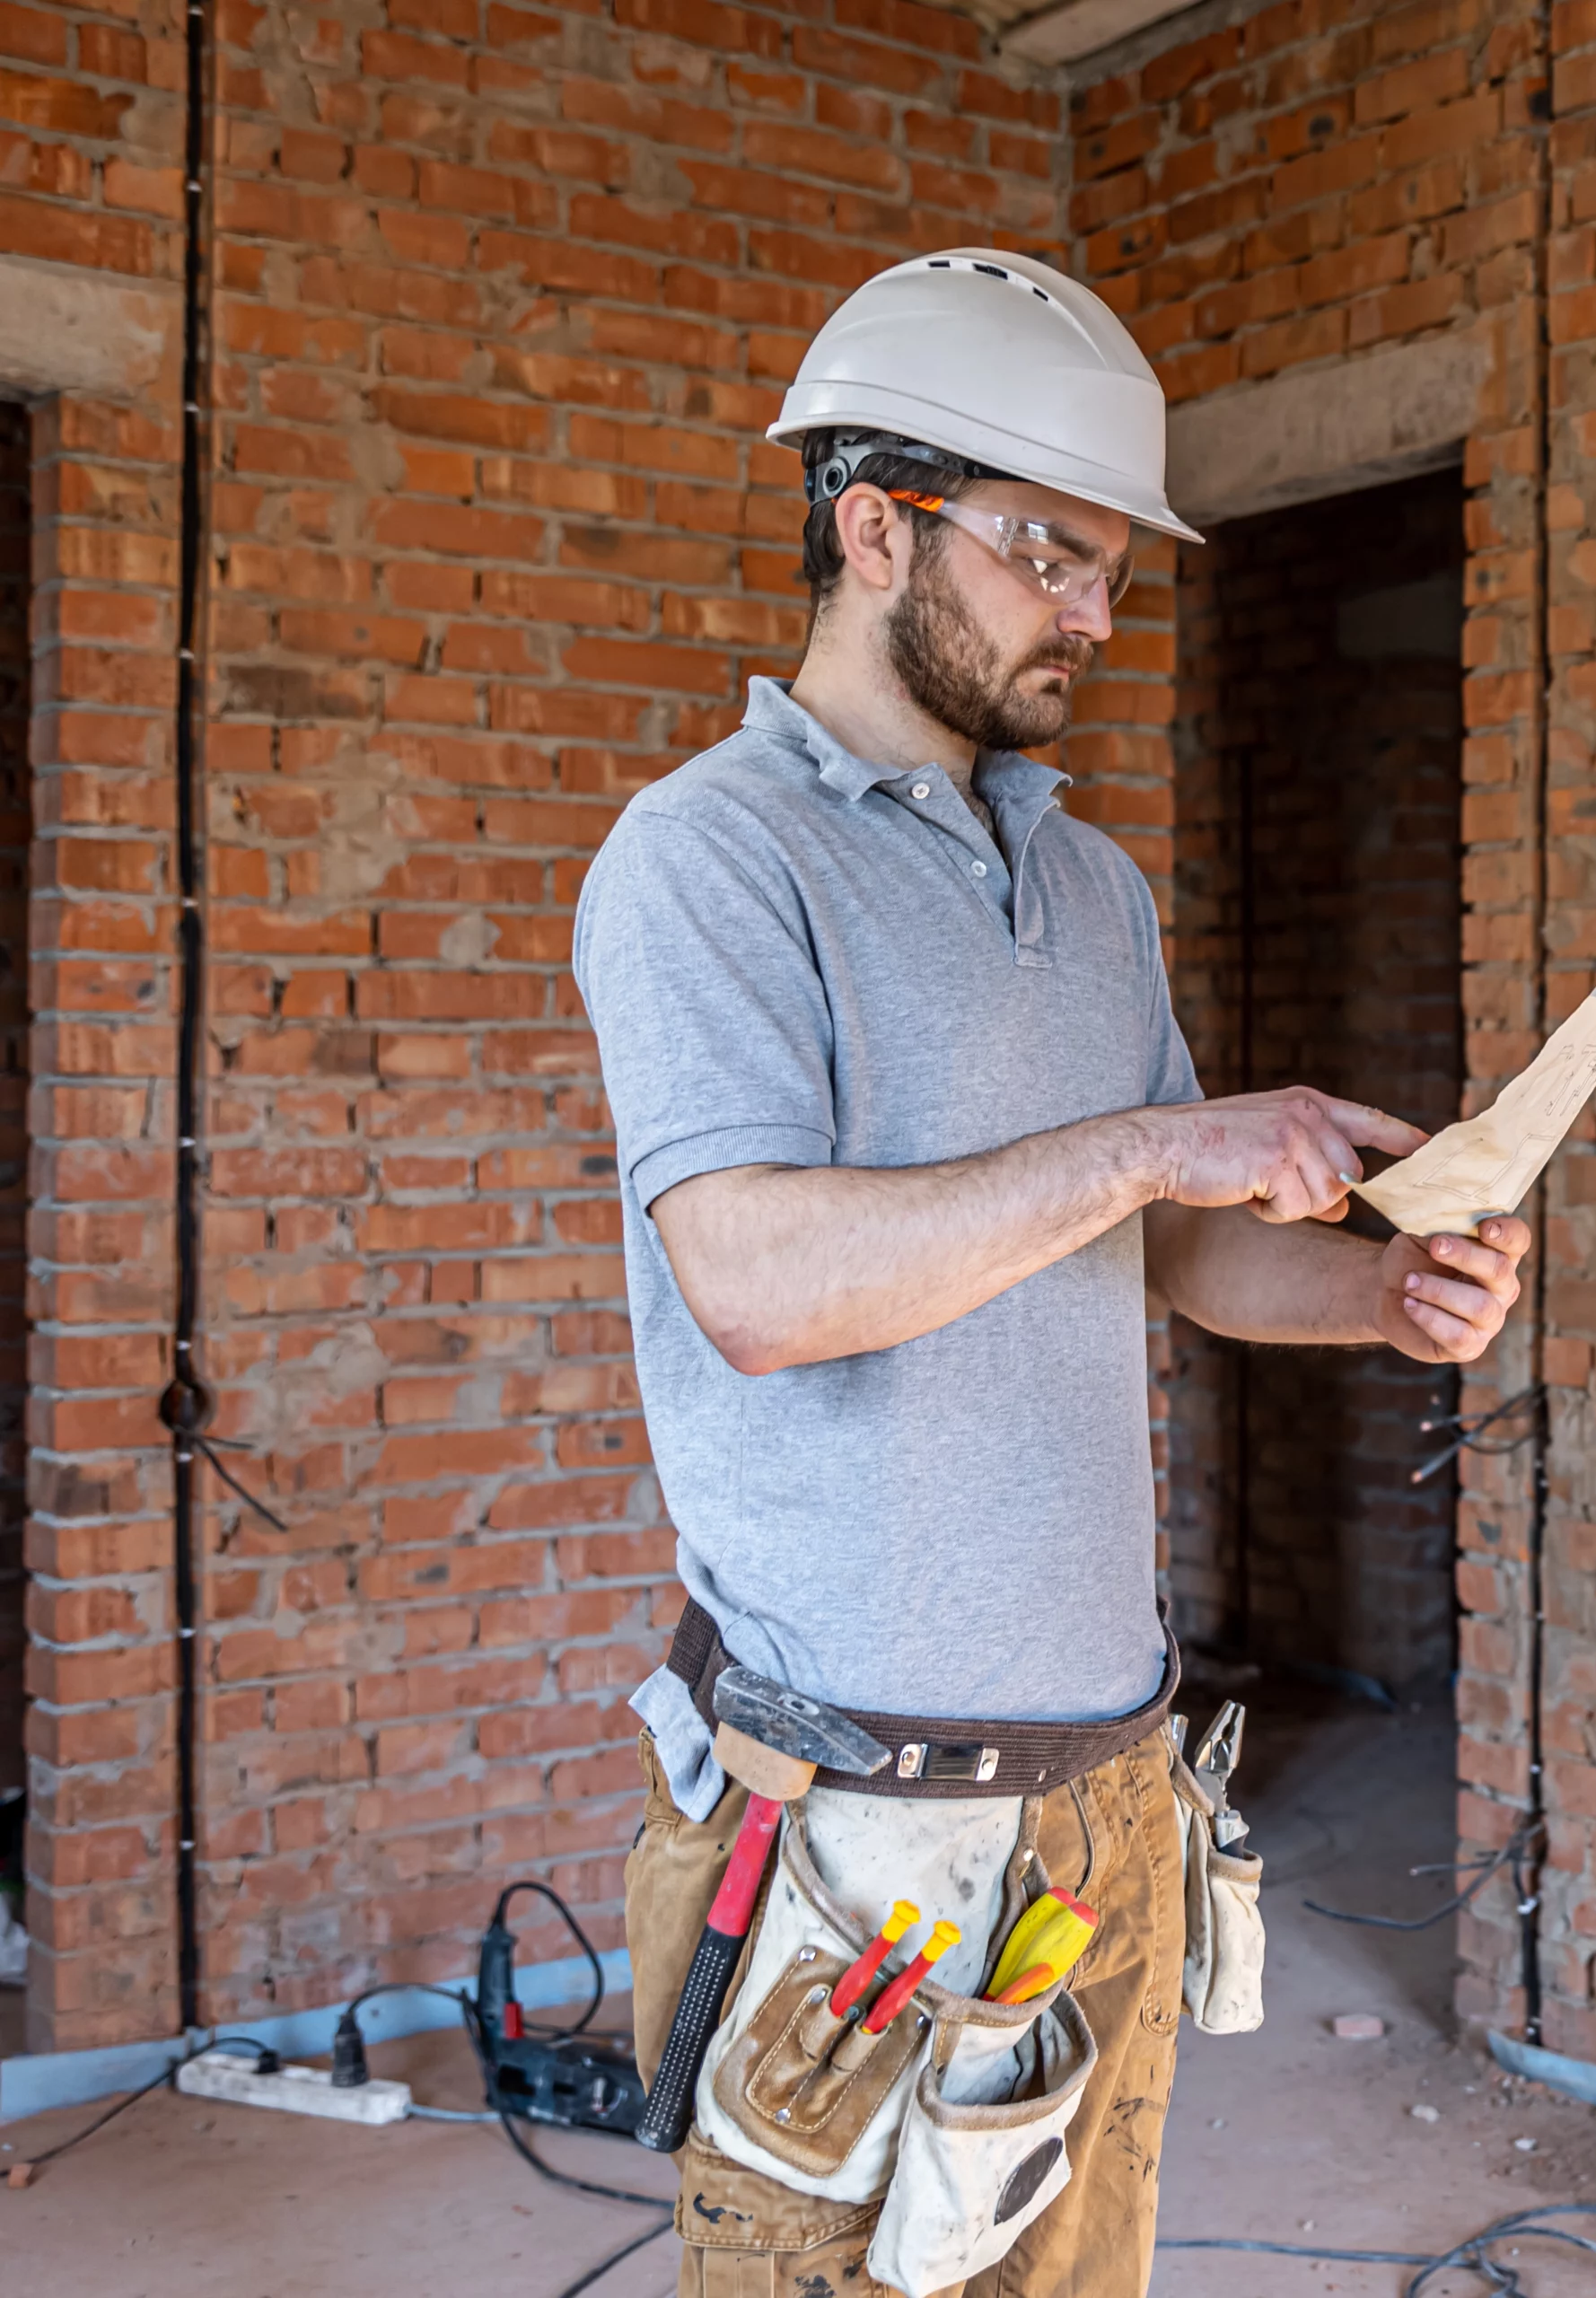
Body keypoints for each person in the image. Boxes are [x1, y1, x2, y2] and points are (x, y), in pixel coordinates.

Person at [573, 247, 1529, 2298]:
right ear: (873, 525)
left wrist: (1380, 1293)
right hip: (853, 1834)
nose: (1096, 613)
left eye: (1111, 568)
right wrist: (1147, 1138)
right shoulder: (705, 856)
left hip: (1105, 1800)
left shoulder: (1085, 882)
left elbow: (1169, 1241)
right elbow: (754, 1278)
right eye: (1050, 558)